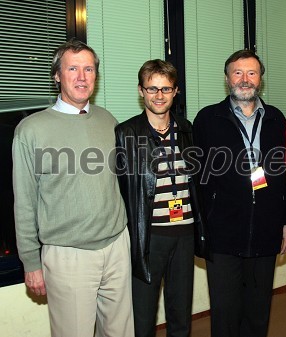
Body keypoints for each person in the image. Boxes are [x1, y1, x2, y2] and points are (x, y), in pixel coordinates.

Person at [12, 40, 133, 337]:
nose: (82, 77)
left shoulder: (108, 120)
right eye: (73, 68)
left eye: (89, 69)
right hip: (69, 256)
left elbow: (122, 182)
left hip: (117, 245)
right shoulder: (31, 130)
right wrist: (31, 261)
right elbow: (24, 201)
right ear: (57, 75)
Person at [193, 50, 286, 337]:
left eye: (251, 72)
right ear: (227, 79)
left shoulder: (276, 118)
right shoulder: (207, 119)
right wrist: (203, 224)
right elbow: (198, 178)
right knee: (225, 315)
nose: (245, 79)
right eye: (237, 72)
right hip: (222, 233)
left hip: (266, 231)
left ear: (260, 79)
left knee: (258, 312)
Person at [115, 59, 200, 337]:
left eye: (166, 89)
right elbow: (120, 189)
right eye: (152, 89)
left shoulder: (187, 130)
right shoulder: (126, 133)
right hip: (148, 237)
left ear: (175, 92)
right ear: (141, 91)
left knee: (180, 314)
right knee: (143, 316)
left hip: (185, 235)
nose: (159, 96)